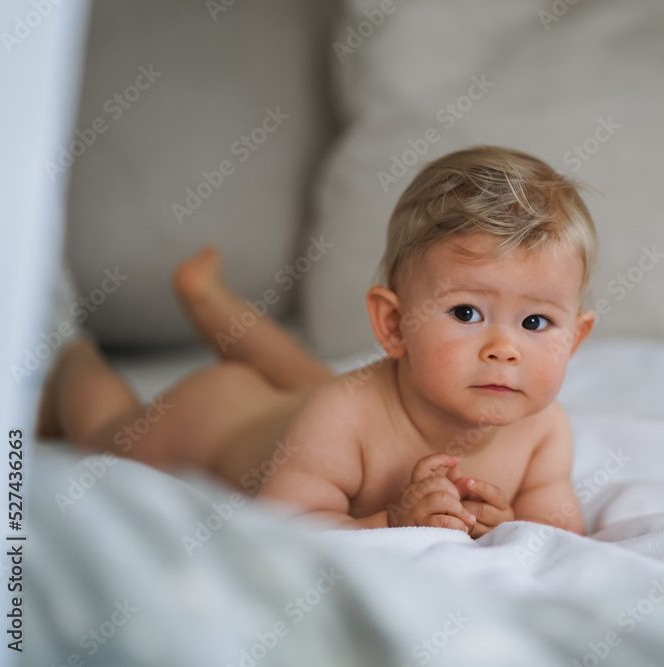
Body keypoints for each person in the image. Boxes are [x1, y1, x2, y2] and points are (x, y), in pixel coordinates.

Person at [38, 145, 598, 537]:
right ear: (392, 325)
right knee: (105, 441)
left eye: (535, 323)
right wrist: (391, 521)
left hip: (310, 407)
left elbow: (558, 536)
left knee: (312, 384)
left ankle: (211, 300)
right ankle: (70, 356)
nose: (504, 348)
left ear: (574, 340)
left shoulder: (544, 432)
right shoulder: (345, 417)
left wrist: (507, 528)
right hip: (215, 417)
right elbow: (286, 526)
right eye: (468, 311)